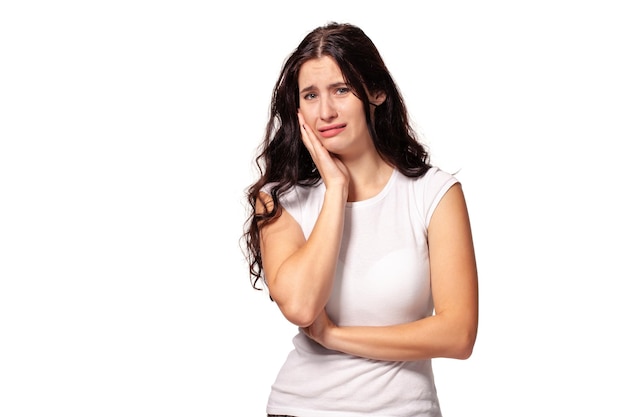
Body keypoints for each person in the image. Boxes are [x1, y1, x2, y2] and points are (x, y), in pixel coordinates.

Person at [242, 22, 478, 417]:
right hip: (300, 408)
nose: (326, 111)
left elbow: (459, 334)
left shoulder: (433, 194)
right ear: (297, 110)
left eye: (341, 89)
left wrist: (335, 336)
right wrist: (336, 189)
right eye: (311, 95)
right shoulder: (279, 200)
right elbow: (300, 307)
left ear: (376, 92)